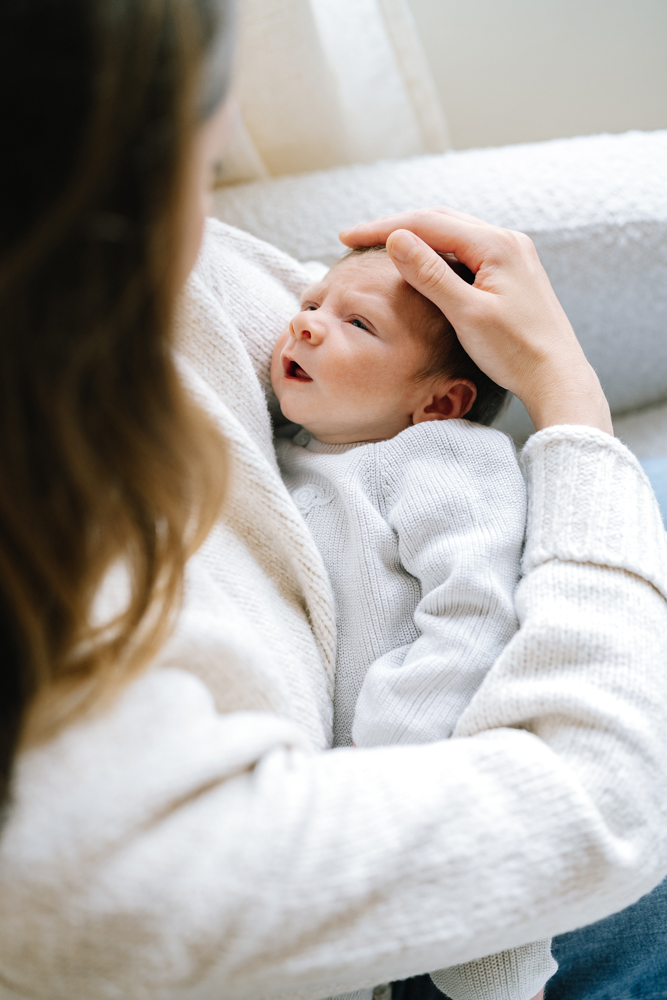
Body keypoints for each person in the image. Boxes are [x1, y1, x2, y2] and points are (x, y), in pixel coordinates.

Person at [0, 4, 667, 1000]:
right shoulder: (81, 834)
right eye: (209, 164)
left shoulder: (164, 301)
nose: (302, 326)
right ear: (110, 198)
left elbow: (468, 584)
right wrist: (565, 392)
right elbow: (597, 806)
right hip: (471, 889)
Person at [273, 243, 555, 1000]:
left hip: (425, 747)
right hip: (324, 789)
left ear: (437, 401)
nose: (305, 327)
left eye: (355, 323)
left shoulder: (440, 457)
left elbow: (475, 610)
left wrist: (397, 747)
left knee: (483, 898)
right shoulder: (282, 456)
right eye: (309, 305)